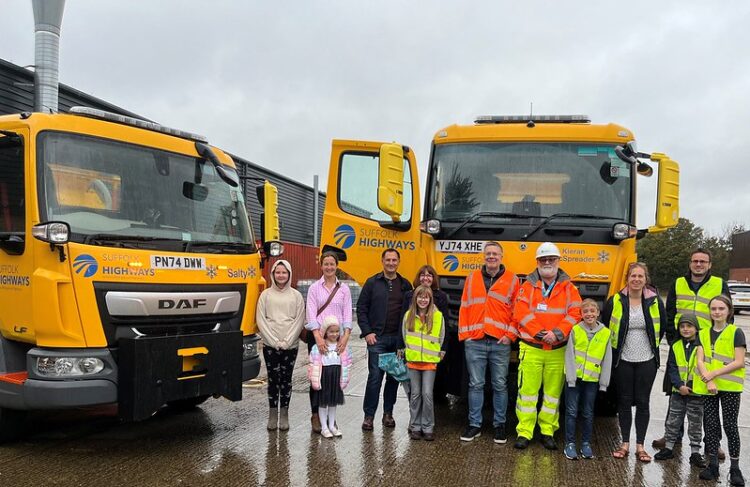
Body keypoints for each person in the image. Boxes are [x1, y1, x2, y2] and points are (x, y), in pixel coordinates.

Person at [654, 248, 730, 450]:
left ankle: (713, 443)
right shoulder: (678, 283)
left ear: (709, 265)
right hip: (681, 344)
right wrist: (673, 340)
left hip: (706, 345)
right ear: (690, 263)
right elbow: (669, 314)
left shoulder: (719, 284)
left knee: (708, 395)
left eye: (703, 261)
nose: (698, 264)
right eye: (695, 261)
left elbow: (726, 314)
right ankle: (672, 437)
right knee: (676, 391)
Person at [513, 242, 582, 450]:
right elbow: (520, 313)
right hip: (531, 347)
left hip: (557, 350)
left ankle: (547, 431)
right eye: (543, 259)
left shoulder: (570, 288)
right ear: (537, 263)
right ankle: (524, 432)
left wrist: (557, 334)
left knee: (552, 395)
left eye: (551, 259)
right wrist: (542, 334)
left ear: (558, 261)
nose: (547, 263)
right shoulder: (527, 286)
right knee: (527, 394)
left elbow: (575, 313)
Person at [602, 262, 665, 463]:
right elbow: (605, 326)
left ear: (646, 279)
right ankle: (624, 444)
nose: (636, 279)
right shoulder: (615, 301)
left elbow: (661, 327)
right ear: (627, 279)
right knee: (624, 401)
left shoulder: (655, 301)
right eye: (633, 276)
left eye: (640, 276)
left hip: (647, 359)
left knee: (643, 402)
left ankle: (640, 446)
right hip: (623, 359)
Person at [458, 241, 519, 443]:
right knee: (475, 384)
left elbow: (517, 312)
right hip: (475, 340)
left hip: (499, 342)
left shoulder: (512, 280)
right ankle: (474, 425)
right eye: (488, 253)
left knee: (500, 385)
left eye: (495, 254)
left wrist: (509, 336)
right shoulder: (472, 277)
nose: (491, 257)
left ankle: (499, 426)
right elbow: (465, 307)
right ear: (484, 257)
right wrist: (465, 336)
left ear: (501, 257)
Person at [357, 248, 413, 431]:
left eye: (394, 260)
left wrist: (403, 341)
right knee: (375, 378)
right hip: (377, 339)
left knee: (393, 379)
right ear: (382, 261)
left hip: (396, 341)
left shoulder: (405, 285)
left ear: (398, 262)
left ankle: (388, 414)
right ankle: (369, 416)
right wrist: (367, 332)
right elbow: (362, 308)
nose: (391, 263)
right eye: (387, 260)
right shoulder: (372, 283)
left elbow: (410, 314)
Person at [694, 295, 746, 485]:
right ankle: (713, 465)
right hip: (709, 387)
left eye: (721, 309)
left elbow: (739, 361)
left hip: (730, 387)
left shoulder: (736, 332)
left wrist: (713, 373)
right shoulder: (703, 333)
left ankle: (735, 468)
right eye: (713, 309)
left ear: (728, 311)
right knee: (711, 426)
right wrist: (708, 380)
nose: (717, 312)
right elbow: (700, 360)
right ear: (709, 311)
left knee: (730, 426)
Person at [304, 251, 353, 433]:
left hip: (337, 337)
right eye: (326, 264)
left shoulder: (344, 289)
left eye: (332, 264)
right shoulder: (314, 288)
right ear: (321, 265)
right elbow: (311, 313)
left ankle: (330, 419)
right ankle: (316, 414)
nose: (329, 267)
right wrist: (317, 337)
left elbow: (348, 313)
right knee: (317, 376)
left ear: (337, 265)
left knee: (334, 376)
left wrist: (346, 337)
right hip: (318, 338)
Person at [256, 259, 306, 431]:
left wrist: (287, 341)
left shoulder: (296, 296)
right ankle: (272, 414)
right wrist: (274, 341)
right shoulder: (266, 295)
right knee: (273, 379)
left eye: (284, 272)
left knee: (286, 379)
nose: (281, 275)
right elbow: (261, 319)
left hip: (290, 346)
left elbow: (299, 320)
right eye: (278, 272)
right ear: (273, 274)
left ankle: (284, 413)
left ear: (289, 274)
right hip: (270, 345)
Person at [653, 313, 706, 468]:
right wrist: (679, 385)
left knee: (695, 422)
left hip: (696, 393)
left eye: (689, 326)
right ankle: (669, 447)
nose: (685, 329)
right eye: (682, 326)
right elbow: (672, 367)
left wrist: (695, 385)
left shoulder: (701, 346)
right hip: (678, 392)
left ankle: (695, 452)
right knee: (673, 420)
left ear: (696, 328)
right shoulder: (675, 346)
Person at [563, 299, 612, 460]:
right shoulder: (575, 330)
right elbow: (569, 356)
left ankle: (585, 443)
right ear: (581, 314)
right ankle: (569, 443)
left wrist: (604, 383)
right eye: (586, 311)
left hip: (592, 380)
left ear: (598, 313)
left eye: (593, 311)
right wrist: (570, 378)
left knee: (588, 412)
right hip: (574, 379)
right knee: (571, 411)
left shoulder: (605, 333)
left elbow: (607, 360)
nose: (589, 314)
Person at [400, 285, 447, 441]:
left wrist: (437, 352)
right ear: (415, 299)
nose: (422, 300)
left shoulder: (438, 316)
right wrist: (408, 353)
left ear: (430, 299)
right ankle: (415, 426)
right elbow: (405, 336)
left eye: (426, 297)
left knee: (427, 394)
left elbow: (441, 336)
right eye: (420, 297)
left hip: (429, 362)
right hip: (413, 361)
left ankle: (428, 427)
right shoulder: (408, 316)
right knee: (415, 395)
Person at [308, 316, 353, 438]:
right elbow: (312, 363)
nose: (334, 334)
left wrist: (346, 376)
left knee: (333, 402)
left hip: (336, 376)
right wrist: (313, 377)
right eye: (331, 331)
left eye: (337, 331)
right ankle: (324, 427)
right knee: (323, 402)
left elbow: (348, 362)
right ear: (325, 332)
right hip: (324, 376)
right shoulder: (318, 347)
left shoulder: (342, 347)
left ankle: (332, 425)